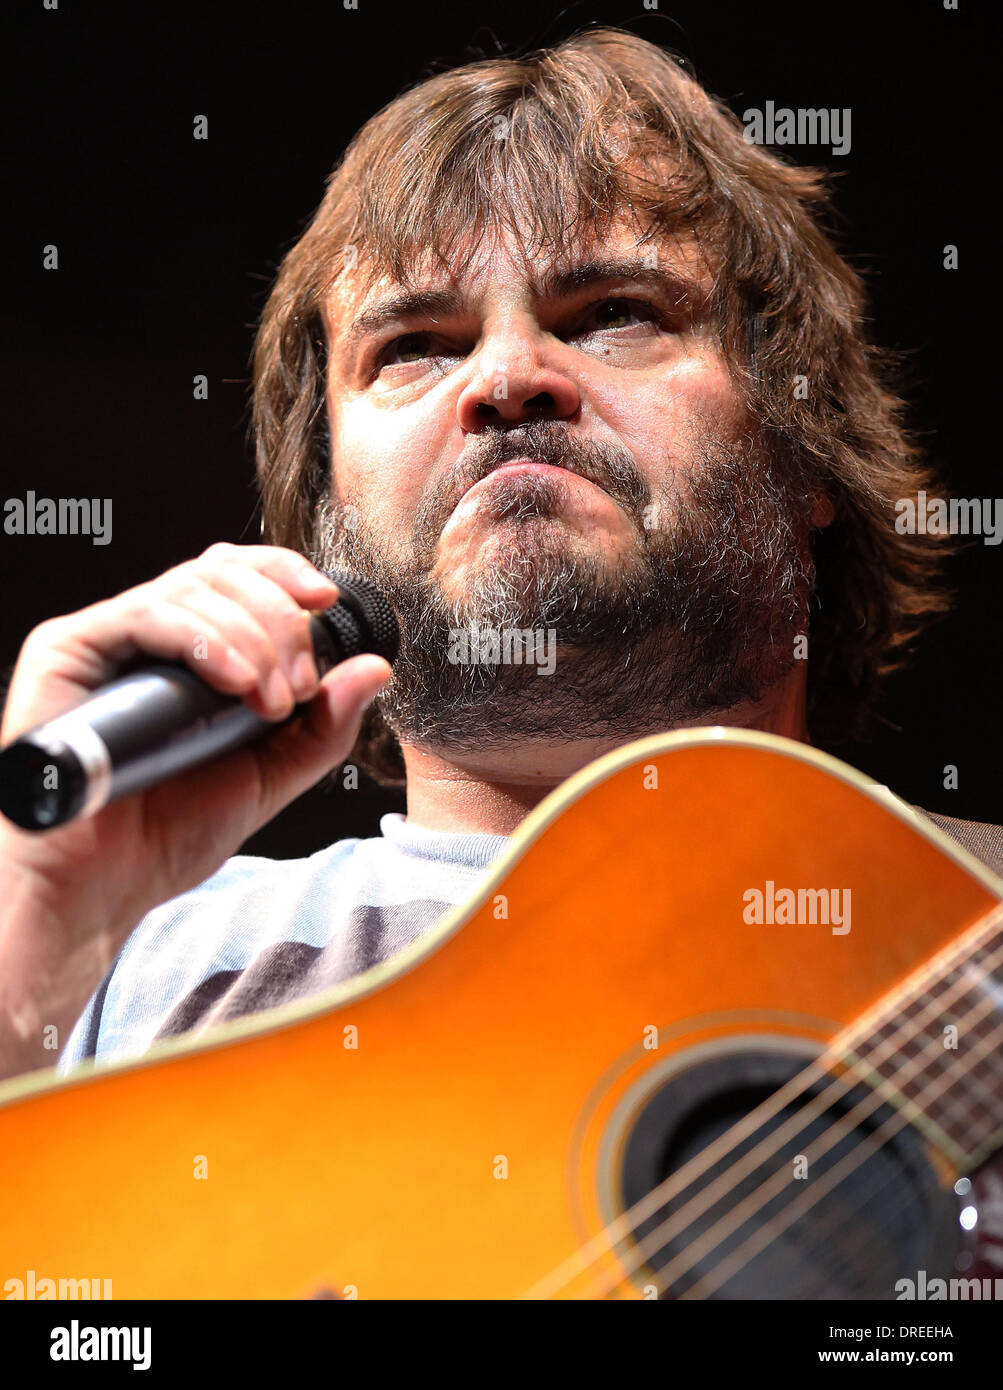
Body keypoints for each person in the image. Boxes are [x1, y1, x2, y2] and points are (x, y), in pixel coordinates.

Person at [0, 28, 998, 1085]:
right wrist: (41, 915)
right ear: (322, 509)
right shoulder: (125, 978)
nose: (509, 376)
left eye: (615, 314)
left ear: (808, 453)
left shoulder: (973, 933)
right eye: (416, 345)